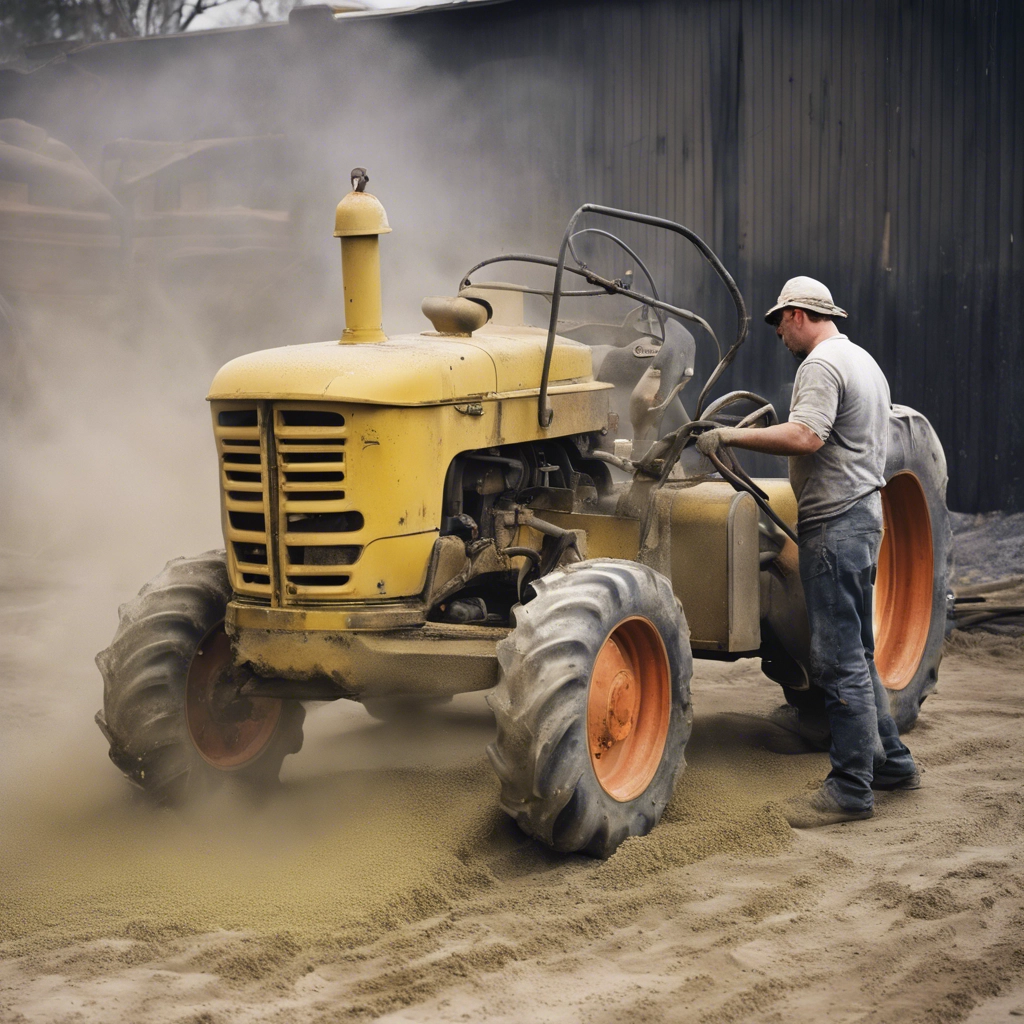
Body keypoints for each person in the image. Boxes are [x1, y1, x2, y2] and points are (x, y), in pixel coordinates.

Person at [695, 276, 920, 828]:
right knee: (858, 653)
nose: (779, 336)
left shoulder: (819, 365)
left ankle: (850, 788)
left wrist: (727, 437)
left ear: (797, 315)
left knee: (836, 660)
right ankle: (891, 761)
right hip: (865, 519)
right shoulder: (865, 361)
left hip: (835, 527)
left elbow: (806, 437)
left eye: (779, 325)